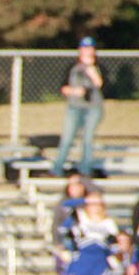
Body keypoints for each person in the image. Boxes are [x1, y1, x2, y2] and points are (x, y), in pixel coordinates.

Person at [51, 37, 106, 177]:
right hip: (74, 107)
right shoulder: (72, 67)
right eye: (84, 48)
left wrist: (91, 69)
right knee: (67, 138)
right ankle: (57, 168)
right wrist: (75, 91)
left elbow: (101, 85)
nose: (87, 51)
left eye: (90, 48)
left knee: (87, 139)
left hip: (93, 108)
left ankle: (85, 170)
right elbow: (63, 87)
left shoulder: (99, 67)